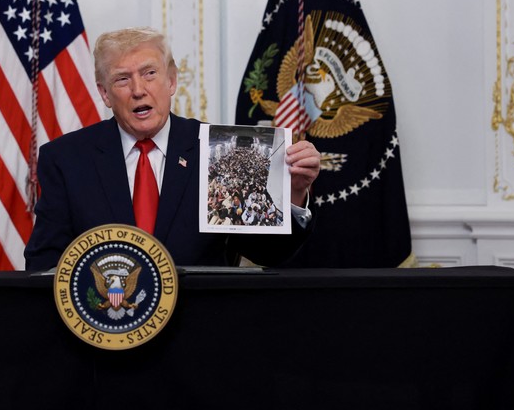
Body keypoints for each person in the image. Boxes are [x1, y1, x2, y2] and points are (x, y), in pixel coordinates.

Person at [24, 27, 321, 270]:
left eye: (149, 73)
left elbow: (268, 255)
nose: (138, 90)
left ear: (171, 80)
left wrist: (293, 194)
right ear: (104, 93)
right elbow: (44, 264)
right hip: (108, 327)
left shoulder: (216, 148)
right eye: (122, 79)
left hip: (201, 328)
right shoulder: (66, 159)